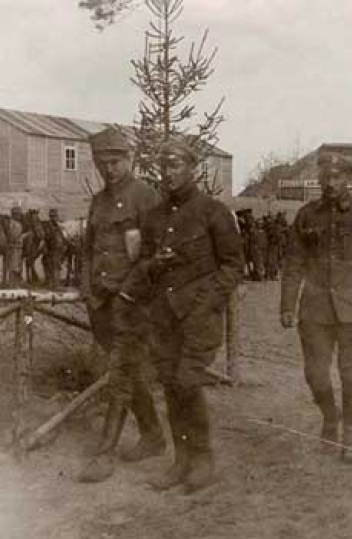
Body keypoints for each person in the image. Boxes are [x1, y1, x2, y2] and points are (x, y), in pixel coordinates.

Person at [120, 139, 244, 493]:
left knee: (188, 381)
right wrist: (153, 264)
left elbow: (234, 266)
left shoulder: (213, 212)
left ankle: (202, 460)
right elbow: (142, 264)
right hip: (164, 317)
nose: (169, 173)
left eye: (176, 166)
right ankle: (181, 461)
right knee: (173, 386)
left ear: (192, 168)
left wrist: (208, 301)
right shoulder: (155, 217)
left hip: (199, 316)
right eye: (164, 167)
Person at [280, 153, 352, 464]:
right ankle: (331, 417)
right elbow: (293, 262)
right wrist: (287, 304)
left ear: (349, 180)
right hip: (315, 309)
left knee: (351, 375)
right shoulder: (306, 216)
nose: (331, 184)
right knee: (315, 375)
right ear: (319, 180)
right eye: (326, 178)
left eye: (338, 178)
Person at [77, 127, 165, 483]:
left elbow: (155, 254)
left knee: (120, 373)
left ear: (129, 159)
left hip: (132, 302)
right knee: (128, 370)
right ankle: (153, 435)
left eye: (115, 161)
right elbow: (87, 249)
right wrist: (86, 288)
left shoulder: (146, 197)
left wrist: (130, 291)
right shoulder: (98, 201)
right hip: (100, 301)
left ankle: (104, 453)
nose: (109, 169)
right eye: (103, 162)